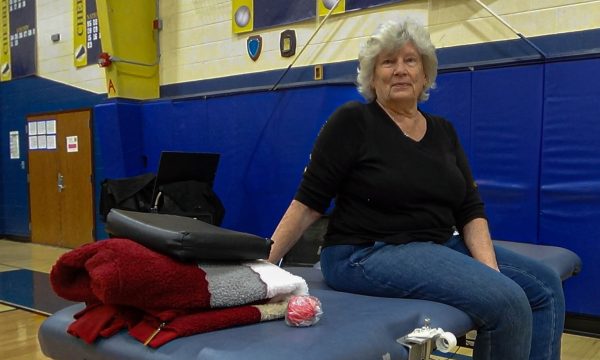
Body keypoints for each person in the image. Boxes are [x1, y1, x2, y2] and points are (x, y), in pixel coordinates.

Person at [268, 19, 565, 360]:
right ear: (372, 76)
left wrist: (489, 272)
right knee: (508, 302)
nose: (400, 70)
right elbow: (308, 203)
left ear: (425, 75)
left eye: (410, 61)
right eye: (388, 62)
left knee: (545, 289)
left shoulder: (443, 131)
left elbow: (470, 208)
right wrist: (265, 268)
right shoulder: (353, 121)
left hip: (437, 243)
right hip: (365, 252)